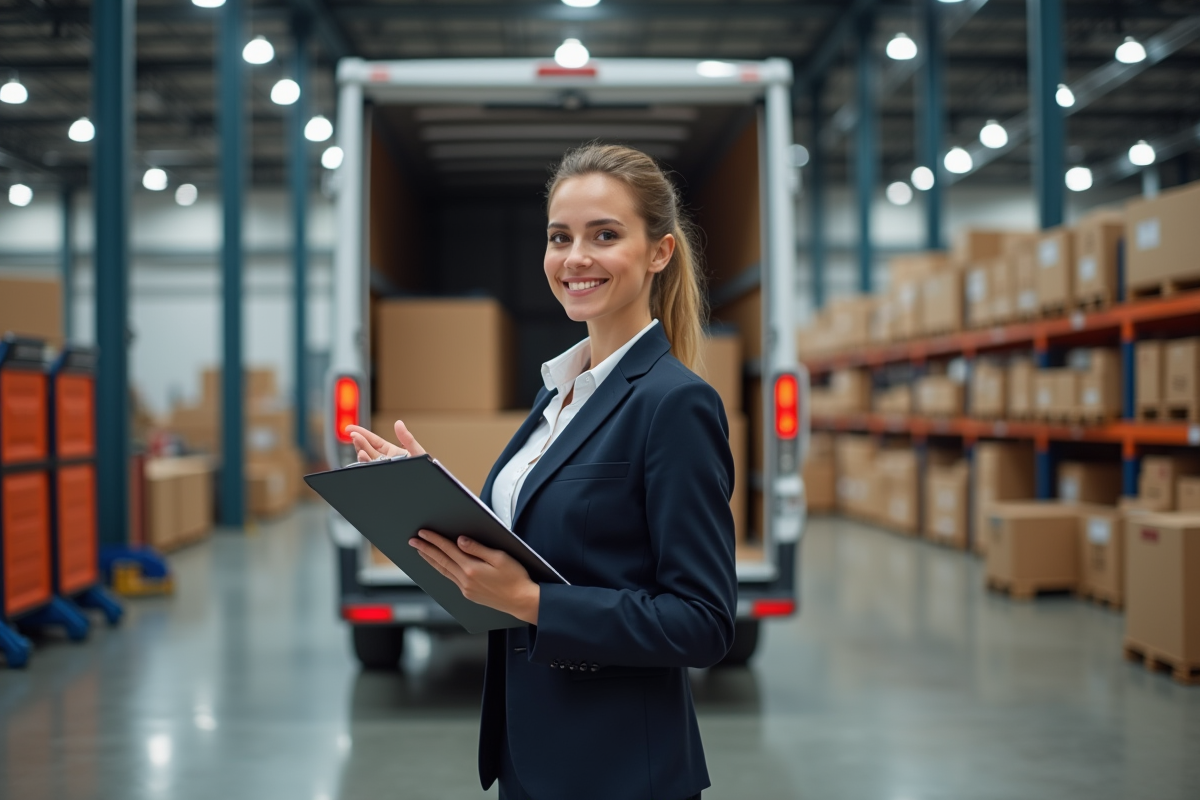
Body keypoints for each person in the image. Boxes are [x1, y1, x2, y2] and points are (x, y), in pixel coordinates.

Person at [345, 143, 737, 800]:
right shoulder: (559, 393)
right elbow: (552, 538)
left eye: (604, 235)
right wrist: (428, 494)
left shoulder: (675, 404)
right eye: (561, 238)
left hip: (618, 773)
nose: (575, 257)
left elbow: (702, 622)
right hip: (529, 756)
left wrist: (529, 602)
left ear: (659, 253)